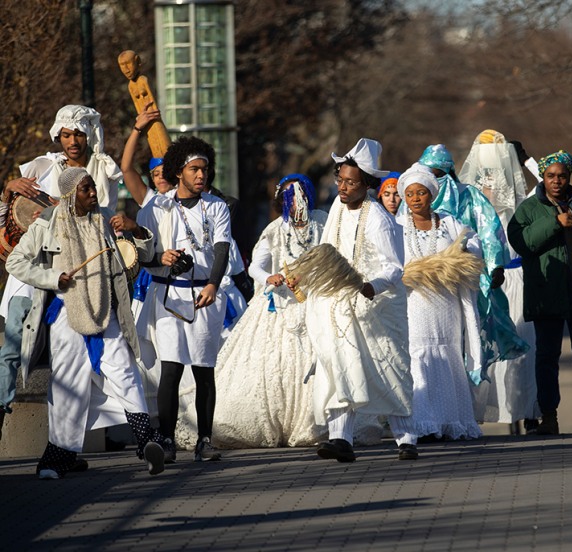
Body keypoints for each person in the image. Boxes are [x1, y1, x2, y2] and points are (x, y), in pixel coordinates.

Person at [7, 167, 167, 478]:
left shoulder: (104, 220)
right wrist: (53, 277)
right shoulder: (48, 222)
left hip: (105, 311)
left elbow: (136, 257)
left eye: (93, 187)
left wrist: (136, 231)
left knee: (124, 371)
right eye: (86, 189)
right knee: (69, 386)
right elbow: (16, 262)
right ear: (70, 194)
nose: (93, 194)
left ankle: (146, 441)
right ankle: (58, 458)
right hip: (67, 315)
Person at [1, 105, 124, 453]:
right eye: (66, 135)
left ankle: (66, 448)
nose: (73, 141)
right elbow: (10, 222)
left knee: (73, 365)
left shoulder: (101, 171)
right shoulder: (42, 166)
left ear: (90, 135)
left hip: (76, 280)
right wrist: (8, 191)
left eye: (79, 134)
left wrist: (59, 212)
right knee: (11, 354)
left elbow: (101, 220)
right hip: (32, 277)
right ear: (59, 136)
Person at [188, 174, 327, 448]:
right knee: (277, 364)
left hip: (316, 303)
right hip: (281, 307)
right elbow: (255, 267)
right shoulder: (275, 230)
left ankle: (315, 423)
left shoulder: (324, 222)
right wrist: (269, 277)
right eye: (290, 197)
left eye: (302, 195)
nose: (297, 202)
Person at [300, 138, 413, 463]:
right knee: (339, 367)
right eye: (340, 180)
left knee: (387, 367)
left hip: (372, 307)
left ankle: (407, 438)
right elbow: (325, 249)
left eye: (351, 182)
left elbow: (394, 267)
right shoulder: (336, 207)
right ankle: (341, 439)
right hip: (336, 306)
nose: (343, 187)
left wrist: (370, 287)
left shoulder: (378, 217)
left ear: (366, 184)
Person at [137, 136, 231, 462]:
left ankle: (204, 440)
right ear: (179, 171)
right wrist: (161, 258)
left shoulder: (217, 206)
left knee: (204, 369)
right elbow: (143, 256)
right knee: (171, 368)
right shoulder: (157, 206)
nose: (201, 175)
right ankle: (166, 440)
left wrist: (213, 285)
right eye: (194, 169)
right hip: (169, 295)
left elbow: (222, 249)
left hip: (205, 295)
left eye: (204, 169)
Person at [507, 150, 572, 435]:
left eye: (562, 176)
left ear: (569, 176)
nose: (556, 181)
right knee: (547, 356)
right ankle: (548, 418)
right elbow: (522, 241)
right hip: (547, 292)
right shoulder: (530, 208)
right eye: (551, 176)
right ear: (542, 176)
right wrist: (555, 222)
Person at [393, 164, 483, 458]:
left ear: (431, 195)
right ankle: (422, 423)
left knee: (448, 352)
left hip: (446, 300)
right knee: (418, 354)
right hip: (414, 300)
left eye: (421, 193)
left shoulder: (449, 223)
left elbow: (473, 245)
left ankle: (450, 421)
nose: (416, 198)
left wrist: (463, 257)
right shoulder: (397, 226)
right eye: (410, 194)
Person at [418, 143, 528, 380]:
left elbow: (489, 230)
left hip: (468, 282)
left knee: (467, 339)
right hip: (429, 284)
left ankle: (466, 402)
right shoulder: (418, 200)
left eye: (435, 173)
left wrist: (495, 264)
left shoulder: (470, 196)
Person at [456, 130, 539, 432]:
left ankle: (526, 411)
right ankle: (479, 411)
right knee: (484, 349)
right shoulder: (471, 207)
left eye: (496, 176)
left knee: (523, 351)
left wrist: (526, 160)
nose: (490, 185)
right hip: (485, 285)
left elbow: (550, 183)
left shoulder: (521, 206)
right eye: (484, 178)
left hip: (516, 280)